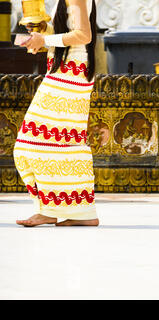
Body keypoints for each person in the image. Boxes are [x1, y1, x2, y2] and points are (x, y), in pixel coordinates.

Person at [14, 0, 98, 227]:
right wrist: (40, 37)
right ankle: (77, 212)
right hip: (65, 71)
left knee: (28, 144)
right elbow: (70, 32)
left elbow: (83, 35)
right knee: (64, 145)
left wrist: (46, 39)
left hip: (70, 74)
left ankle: (55, 210)